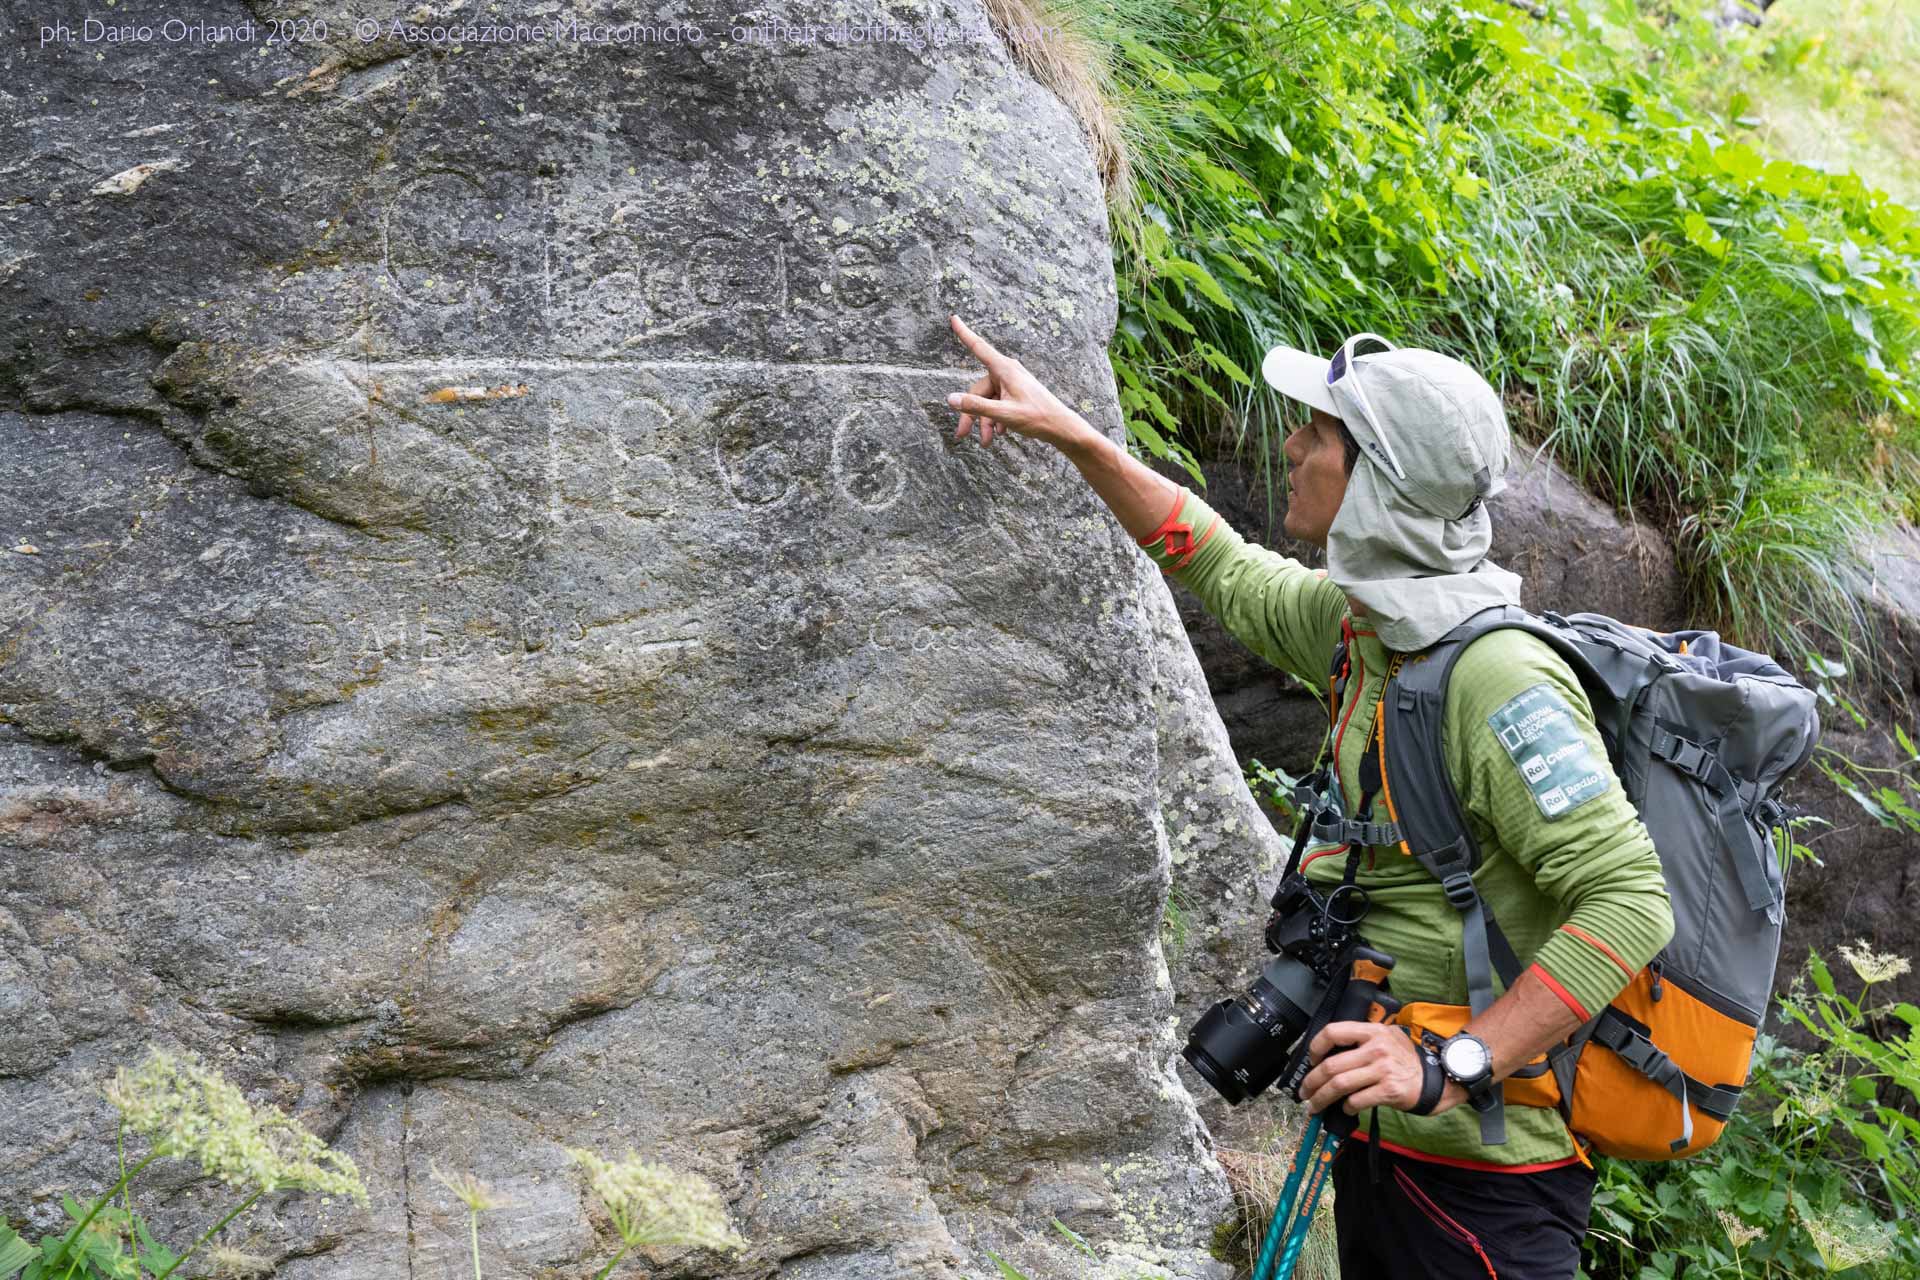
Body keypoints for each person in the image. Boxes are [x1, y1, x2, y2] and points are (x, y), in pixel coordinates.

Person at [942, 315, 1675, 1279]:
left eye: (1319, 434)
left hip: (1483, 1182)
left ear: (1380, 482)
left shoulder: (1499, 679)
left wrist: (1451, 1065)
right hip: (1387, 1141)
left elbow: (1630, 904)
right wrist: (1076, 435)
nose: (1291, 447)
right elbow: (1213, 559)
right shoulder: (1368, 628)